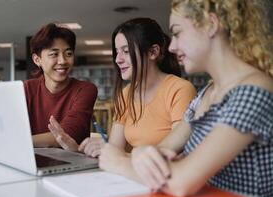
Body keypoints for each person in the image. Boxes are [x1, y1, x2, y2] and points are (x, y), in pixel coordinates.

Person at [106, 0, 273, 197]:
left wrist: (116, 161)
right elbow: (161, 151)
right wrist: (143, 154)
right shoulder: (207, 93)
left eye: (177, 33)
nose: (172, 47)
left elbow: (182, 182)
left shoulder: (254, 90)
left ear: (211, 25)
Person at [53, 18, 196, 158]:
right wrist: (77, 150)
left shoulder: (180, 90)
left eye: (126, 51)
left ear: (153, 52)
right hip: (133, 174)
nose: (117, 59)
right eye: (117, 51)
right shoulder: (126, 94)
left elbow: (177, 153)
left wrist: (119, 154)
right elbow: (115, 149)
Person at [24, 23, 97, 149]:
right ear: (37, 60)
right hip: (30, 162)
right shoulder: (27, 88)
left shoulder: (85, 90)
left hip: (73, 164)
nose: (63, 61)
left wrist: (13, 141)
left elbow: (65, 136)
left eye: (68, 54)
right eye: (54, 54)